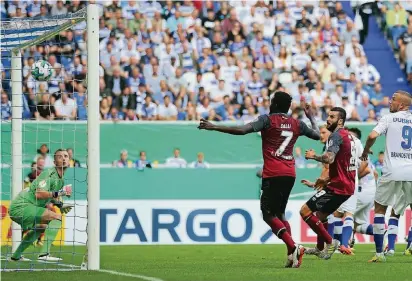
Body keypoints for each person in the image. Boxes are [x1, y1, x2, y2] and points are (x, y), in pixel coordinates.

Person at [198, 91, 321, 268]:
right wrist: (311, 116)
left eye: (271, 101)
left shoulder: (267, 120)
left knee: (267, 214)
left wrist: (214, 127)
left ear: (275, 104)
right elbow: (317, 135)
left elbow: (242, 130)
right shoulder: (297, 123)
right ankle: (291, 255)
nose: (269, 103)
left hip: (272, 173)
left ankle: (294, 246)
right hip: (290, 173)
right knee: (280, 213)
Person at [360, 90, 412, 262]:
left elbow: (372, 135)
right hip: (411, 172)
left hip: (391, 171)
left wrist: (366, 151)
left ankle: (380, 253)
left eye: (394, 100)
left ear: (402, 105)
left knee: (380, 209)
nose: (390, 101)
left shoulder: (389, 118)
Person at [301, 107, 356, 260]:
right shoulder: (348, 136)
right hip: (346, 185)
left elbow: (329, 159)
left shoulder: (336, 136)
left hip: (338, 186)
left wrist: (314, 156)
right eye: (328, 115)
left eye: (332, 117)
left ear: (340, 121)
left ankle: (331, 242)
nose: (328, 119)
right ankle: (320, 249)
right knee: (321, 215)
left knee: (304, 211)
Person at [8, 149, 73, 261]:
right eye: (60, 157)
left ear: (69, 160)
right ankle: (44, 254)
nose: (64, 158)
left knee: (41, 227)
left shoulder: (60, 180)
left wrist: (60, 204)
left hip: (26, 208)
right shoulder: (49, 174)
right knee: (56, 217)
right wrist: (61, 193)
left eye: (66, 156)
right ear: (54, 162)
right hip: (22, 206)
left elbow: (50, 196)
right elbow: (39, 194)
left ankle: (16, 256)